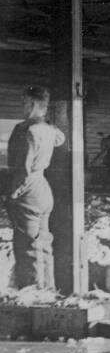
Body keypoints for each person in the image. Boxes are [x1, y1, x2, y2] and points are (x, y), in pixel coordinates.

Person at [5, 86, 65, 289]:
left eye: (24, 103)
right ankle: (47, 289)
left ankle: (33, 294)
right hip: (43, 189)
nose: (22, 107)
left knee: (27, 246)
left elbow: (23, 169)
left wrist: (12, 194)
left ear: (31, 104)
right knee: (43, 243)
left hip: (28, 189)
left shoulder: (27, 130)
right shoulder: (48, 129)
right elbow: (60, 139)